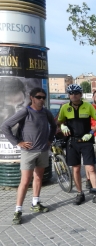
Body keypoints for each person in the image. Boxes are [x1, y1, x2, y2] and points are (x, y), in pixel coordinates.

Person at [1, 88, 57, 225]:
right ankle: (18, 210)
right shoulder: (25, 111)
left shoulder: (46, 112)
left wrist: (50, 139)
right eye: (39, 97)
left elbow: (54, 126)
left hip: (43, 151)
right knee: (25, 181)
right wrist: (17, 142)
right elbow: (5, 126)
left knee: (38, 178)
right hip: (28, 152)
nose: (42, 100)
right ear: (32, 98)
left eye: (44, 97)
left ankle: (35, 203)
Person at [57, 84, 96, 206]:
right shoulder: (64, 107)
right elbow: (59, 121)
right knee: (76, 169)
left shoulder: (88, 106)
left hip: (86, 140)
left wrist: (92, 133)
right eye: (71, 93)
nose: (73, 95)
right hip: (72, 142)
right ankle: (80, 193)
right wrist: (62, 125)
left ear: (81, 94)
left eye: (76, 93)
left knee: (91, 168)